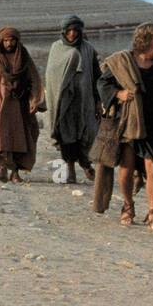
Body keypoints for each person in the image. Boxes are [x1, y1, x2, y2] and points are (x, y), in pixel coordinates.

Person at [94, 23, 153, 227]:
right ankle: (128, 206)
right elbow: (103, 84)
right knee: (127, 166)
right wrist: (118, 94)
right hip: (129, 121)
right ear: (145, 42)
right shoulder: (123, 62)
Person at [0, 27, 44, 183]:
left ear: (17, 41)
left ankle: (14, 172)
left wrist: (35, 100)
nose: (9, 43)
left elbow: (34, 79)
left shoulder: (24, 57)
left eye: (12, 40)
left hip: (18, 104)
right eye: (6, 40)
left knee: (18, 137)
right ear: (1, 41)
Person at [44, 14, 101, 184]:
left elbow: (97, 76)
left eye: (75, 31)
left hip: (85, 101)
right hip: (64, 102)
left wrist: (98, 101)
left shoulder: (88, 49)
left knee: (87, 134)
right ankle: (69, 170)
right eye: (68, 31)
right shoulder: (56, 48)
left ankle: (85, 164)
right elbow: (51, 75)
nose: (72, 34)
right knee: (66, 136)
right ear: (63, 32)